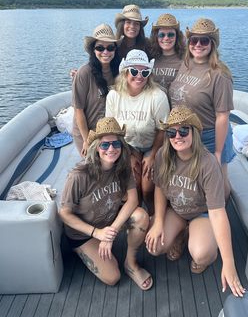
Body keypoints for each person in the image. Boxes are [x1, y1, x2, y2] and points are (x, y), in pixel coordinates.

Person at [145, 106, 245, 297]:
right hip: (177, 210)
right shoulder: (162, 157)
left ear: (193, 132)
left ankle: (197, 235)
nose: (177, 136)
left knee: (201, 254)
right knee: (155, 246)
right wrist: (158, 222)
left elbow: (217, 212)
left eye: (183, 130)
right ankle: (182, 232)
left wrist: (229, 263)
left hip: (202, 213)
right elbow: (159, 188)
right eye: (171, 132)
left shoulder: (207, 163)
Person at [59, 117, 153, 290]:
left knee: (141, 217)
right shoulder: (79, 175)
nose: (111, 149)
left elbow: (132, 200)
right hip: (84, 233)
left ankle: (131, 264)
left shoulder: (122, 167)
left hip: (108, 222)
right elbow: (64, 213)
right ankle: (80, 251)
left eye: (116, 144)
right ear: (96, 147)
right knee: (112, 277)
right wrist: (97, 233)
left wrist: (109, 233)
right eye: (105, 145)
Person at [168, 18, 234, 198]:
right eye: (194, 40)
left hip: (210, 136)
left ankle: (223, 216)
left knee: (218, 182)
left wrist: (218, 153)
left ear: (212, 44)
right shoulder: (185, 65)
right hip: (185, 134)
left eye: (204, 41)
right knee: (195, 181)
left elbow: (222, 117)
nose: (198, 45)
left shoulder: (219, 75)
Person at [105, 49, 170, 214]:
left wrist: (152, 154)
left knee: (147, 186)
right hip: (126, 145)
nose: (139, 75)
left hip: (152, 145)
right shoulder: (113, 95)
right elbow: (112, 130)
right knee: (134, 182)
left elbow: (162, 130)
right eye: (134, 71)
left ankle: (153, 215)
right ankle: (136, 215)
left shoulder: (157, 96)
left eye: (145, 71)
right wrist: (130, 154)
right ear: (125, 72)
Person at [72, 24, 122, 157]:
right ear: (93, 50)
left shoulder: (119, 73)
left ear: (115, 50)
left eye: (110, 48)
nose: (105, 52)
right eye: (100, 48)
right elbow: (78, 111)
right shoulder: (84, 73)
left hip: (109, 131)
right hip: (86, 131)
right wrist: (86, 140)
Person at [149, 13, 185, 91]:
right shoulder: (151, 58)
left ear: (177, 37)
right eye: (162, 35)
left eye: (171, 35)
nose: (166, 38)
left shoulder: (185, 59)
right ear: (156, 37)